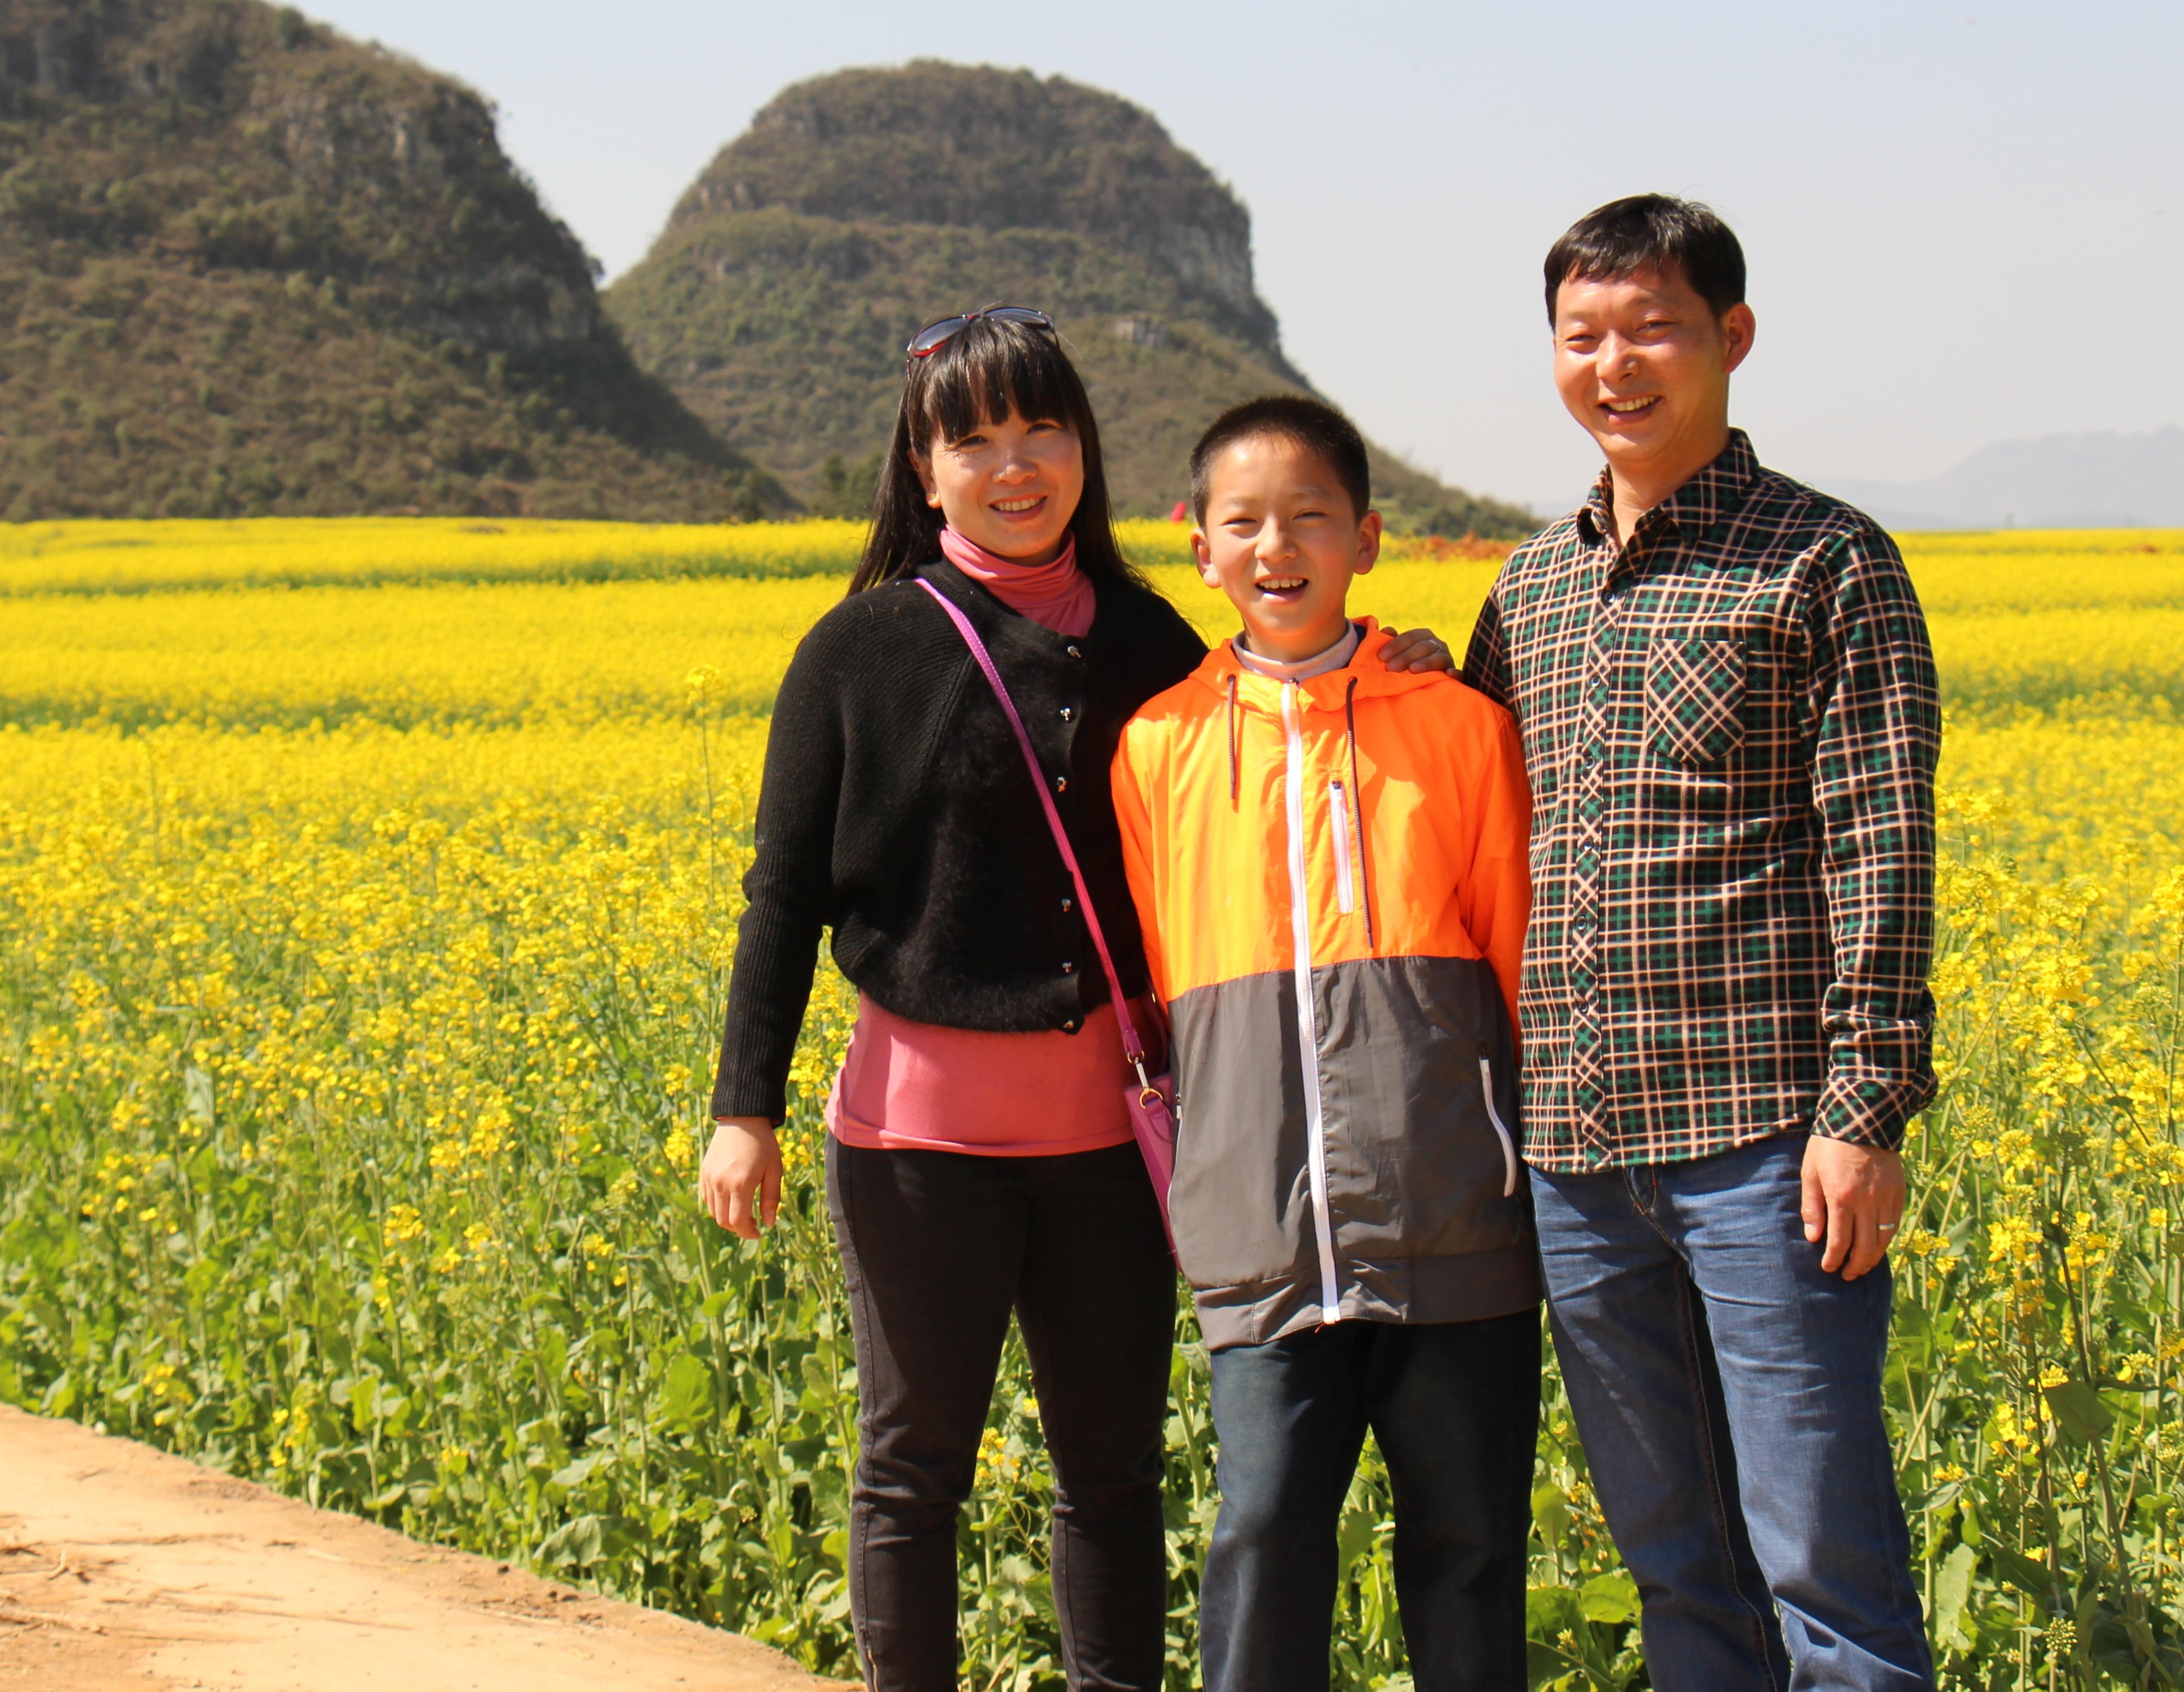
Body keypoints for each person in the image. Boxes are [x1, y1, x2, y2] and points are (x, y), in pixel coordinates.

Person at [696, 307, 1454, 1691]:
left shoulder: (1155, 641)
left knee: (1110, 1473)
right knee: (913, 1470)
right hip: (916, 1144)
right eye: (975, 440)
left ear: (1085, 449)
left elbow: (1287, 719)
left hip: (1111, 1143)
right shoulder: (857, 652)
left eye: (1041, 429)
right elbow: (782, 892)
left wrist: (1404, 673)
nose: (1014, 465)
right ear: (924, 470)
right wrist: (744, 1108)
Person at [1461, 196, 1940, 1690]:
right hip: (1578, 1158)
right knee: (1679, 1572)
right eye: (1582, 335)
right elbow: (1476, 821)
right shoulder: (1527, 590)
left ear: (1732, 337)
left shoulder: (1826, 561)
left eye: (1652, 328)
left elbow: (1881, 847)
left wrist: (1863, 1115)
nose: (1615, 364)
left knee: (1825, 1575)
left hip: (1764, 1149)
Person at [1112, 397, 1539, 1692]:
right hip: (1258, 1233)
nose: (1277, 546)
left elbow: (1519, 959)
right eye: (1244, 521)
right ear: (1200, 549)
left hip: (1456, 1222)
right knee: (1262, 1538)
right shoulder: (1159, 747)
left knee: (1470, 1552)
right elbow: (1165, 986)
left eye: (1309, 517)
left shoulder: (1458, 726)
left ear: (1367, 538)